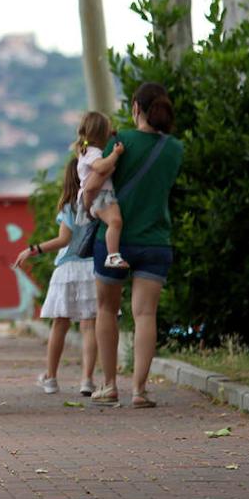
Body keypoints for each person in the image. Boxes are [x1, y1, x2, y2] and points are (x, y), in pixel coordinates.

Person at [91, 83, 184, 409]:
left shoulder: (121, 141)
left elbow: (96, 179)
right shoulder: (175, 149)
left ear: (135, 108)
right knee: (145, 314)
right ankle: (140, 390)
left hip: (115, 240)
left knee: (106, 310)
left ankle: (109, 385)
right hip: (156, 240)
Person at [14, 156, 100, 397]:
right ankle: (87, 380)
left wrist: (33, 249)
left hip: (69, 269)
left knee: (59, 325)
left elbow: (64, 240)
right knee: (89, 325)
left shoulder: (69, 205)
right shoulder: (99, 201)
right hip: (92, 266)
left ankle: (51, 378)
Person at [76, 111, 129, 269]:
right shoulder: (93, 153)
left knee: (114, 222)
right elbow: (101, 167)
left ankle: (112, 255)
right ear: (100, 133)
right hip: (101, 196)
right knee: (115, 221)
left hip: (96, 197)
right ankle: (112, 256)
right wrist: (115, 154)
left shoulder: (86, 151)